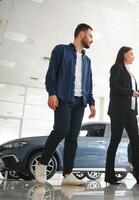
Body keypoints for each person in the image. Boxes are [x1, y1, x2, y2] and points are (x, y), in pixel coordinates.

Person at [35, 23, 96, 186]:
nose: (92, 40)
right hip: (64, 98)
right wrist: (52, 93)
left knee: (73, 137)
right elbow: (52, 73)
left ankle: (68, 174)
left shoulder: (87, 60)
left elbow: (89, 83)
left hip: (80, 102)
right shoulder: (60, 50)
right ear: (82, 34)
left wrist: (91, 102)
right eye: (90, 36)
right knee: (61, 130)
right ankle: (42, 164)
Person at [105, 46, 139, 185]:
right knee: (115, 141)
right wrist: (132, 92)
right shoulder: (117, 68)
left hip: (130, 111)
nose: (133, 56)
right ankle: (109, 176)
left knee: (136, 142)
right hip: (118, 110)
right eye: (131, 54)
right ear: (124, 54)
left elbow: (132, 92)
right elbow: (114, 87)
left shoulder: (130, 73)